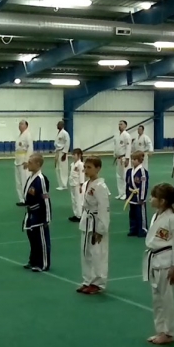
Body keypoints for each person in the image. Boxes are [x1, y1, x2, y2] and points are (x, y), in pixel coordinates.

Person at [143, 183, 174, 345]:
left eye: (153, 197)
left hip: (167, 264)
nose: (150, 199)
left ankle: (169, 332)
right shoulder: (156, 216)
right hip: (155, 261)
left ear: (162, 201)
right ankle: (160, 330)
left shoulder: (173, 219)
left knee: (167, 300)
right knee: (157, 299)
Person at [78, 156, 110, 295]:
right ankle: (87, 280)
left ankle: (98, 283)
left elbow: (104, 209)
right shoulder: (87, 184)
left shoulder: (101, 186)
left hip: (97, 222)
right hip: (87, 221)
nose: (86, 170)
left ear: (98, 168)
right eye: (85, 167)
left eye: (89, 167)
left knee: (98, 254)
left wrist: (101, 230)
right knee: (86, 253)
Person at [22, 154, 52, 272]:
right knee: (33, 239)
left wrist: (47, 218)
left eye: (30, 162)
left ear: (38, 164)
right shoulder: (31, 178)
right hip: (30, 213)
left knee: (42, 241)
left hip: (39, 214)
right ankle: (33, 260)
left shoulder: (41, 179)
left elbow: (46, 199)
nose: (28, 164)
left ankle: (43, 264)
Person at [126, 151, 149, 238]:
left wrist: (142, 197)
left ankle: (142, 230)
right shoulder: (129, 171)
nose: (132, 161)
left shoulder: (143, 172)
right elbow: (127, 184)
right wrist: (127, 196)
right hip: (132, 196)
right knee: (132, 214)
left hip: (139, 196)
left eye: (134, 159)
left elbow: (143, 186)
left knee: (140, 214)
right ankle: (133, 229)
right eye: (132, 159)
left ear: (140, 160)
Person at [14, 120, 33, 207]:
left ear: (26, 126)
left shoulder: (27, 135)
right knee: (18, 182)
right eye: (19, 124)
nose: (20, 125)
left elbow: (30, 148)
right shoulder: (20, 136)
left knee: (25, 180)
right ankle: (21, 199)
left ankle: (27, 199)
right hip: (17, 160)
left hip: (24, 160)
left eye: (22, 124)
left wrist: (27, 160)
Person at [113, 120, 132, 200]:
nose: (119, 125)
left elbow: (128, 147)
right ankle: (120, 193)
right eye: (119, 124)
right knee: (119, 176)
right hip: (118, 158)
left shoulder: (127, 135)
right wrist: (114, 155)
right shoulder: (116, 135)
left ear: (125, 126)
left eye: (121, 124)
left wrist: (127, 158)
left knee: (125, 176)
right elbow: (115, 147)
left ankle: (126, 193)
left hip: (124, 158)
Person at [68, 148, 85, 222]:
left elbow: (82, 175)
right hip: (72, 183)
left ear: (79, 155)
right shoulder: (72, 164)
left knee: (78, 200)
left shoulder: (80, 164)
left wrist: (81, 185)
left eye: (74, 154)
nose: (73, 156)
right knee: (74, 200)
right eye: (72, 154)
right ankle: (76, 214)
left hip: (78, 185)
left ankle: (79, 215)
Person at [54, 121, 71, 190]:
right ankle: (60, 184)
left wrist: (65, 153)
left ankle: (64, 185)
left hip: (62, 152)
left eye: (59, 124)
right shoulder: (59, 133)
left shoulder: (65, 133)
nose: (57, 126)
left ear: (62, 125)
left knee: (63, 168)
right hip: (58, 151)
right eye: (57, 124)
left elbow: (67, 143)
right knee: (57, 168)